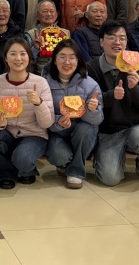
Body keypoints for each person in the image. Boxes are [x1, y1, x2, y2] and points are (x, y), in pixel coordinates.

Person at [87, 20, 139, 187]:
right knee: (110, 179)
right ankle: (105, 157)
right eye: (111, 37)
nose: (117, 42)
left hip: (135, 126)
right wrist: (111, 96)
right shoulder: (92, 68)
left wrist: (135, 88)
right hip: (108, 131)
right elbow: (89, 103)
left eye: (122, 38)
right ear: (101, 42)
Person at [0, 37, 54, 189]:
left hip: (34, 135)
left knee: (23, 159)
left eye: (23, 53)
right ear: (6, 58)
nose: (18, 58)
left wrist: (38, 103)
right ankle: (5, 171)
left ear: (29, 57)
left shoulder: (40, 82)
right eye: (13, 54)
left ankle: (25, 167)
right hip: (7, 133)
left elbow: (47, 123)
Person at [44, 39, 103, 189]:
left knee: (85, 129)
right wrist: (58, 121)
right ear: (54, 60)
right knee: (58, 156)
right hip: (58, 132)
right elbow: (42, 114)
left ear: (78, 60)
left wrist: (92, 109)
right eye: (62, 56)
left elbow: (97, 120)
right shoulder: (44, 83)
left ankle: (76, 171)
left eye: (72, 57)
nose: (67, 62)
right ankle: (66, 163)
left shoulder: (90, 84)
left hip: (82, 132)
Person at [24, 0, 69, 75]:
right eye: (44, 11)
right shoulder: (30, 34)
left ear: (56, 15)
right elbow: (27, 61)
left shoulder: (65, 33)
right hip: (40, 73)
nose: (48, 14)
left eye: (52, 11)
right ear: (37, 16)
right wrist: (35, 49)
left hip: (63, 71)